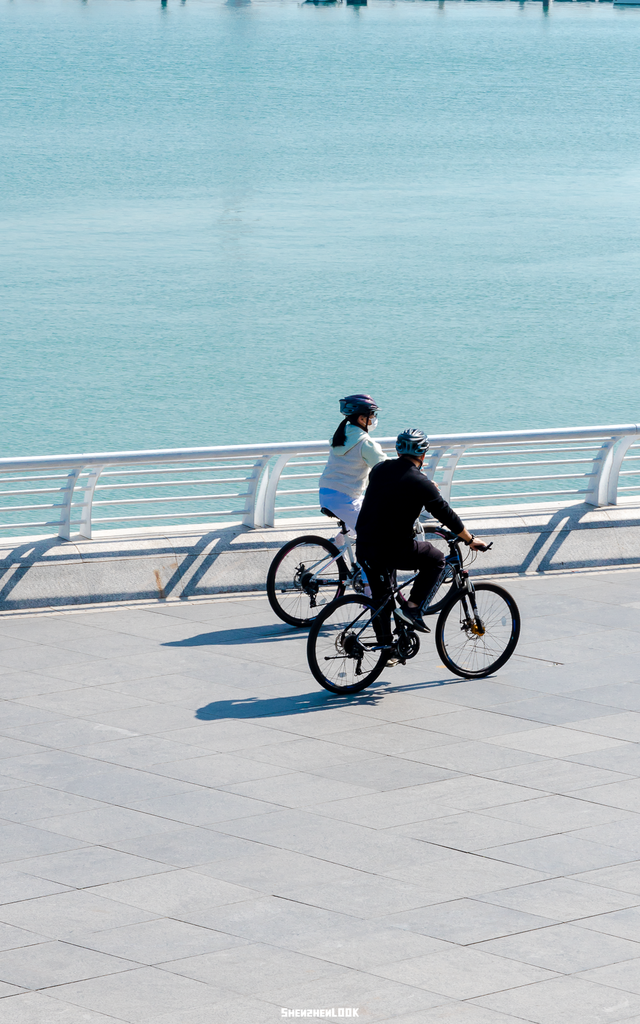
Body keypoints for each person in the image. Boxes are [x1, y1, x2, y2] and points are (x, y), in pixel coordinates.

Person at [355, 427, 489, 641]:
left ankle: (386, 649)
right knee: (436, 558)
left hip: (364, 547)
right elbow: (445, 514)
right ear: (424, 454)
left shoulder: (379, 470)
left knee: (382, 600)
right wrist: (470, 539)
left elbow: (396, 483)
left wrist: (425, 484)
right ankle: (413, 608)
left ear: (398, 451)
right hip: (394, 549)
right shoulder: (421, 483)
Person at [318, 393, 387, 536]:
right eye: (372, 415)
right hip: (345, 499)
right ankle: (364, 557)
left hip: (326, 493)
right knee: (374, 536)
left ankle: (337, 543)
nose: (374, 418)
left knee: (372, 512)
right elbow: (387, 468)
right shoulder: (366, 443)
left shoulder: (341, 435)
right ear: (362, 418)